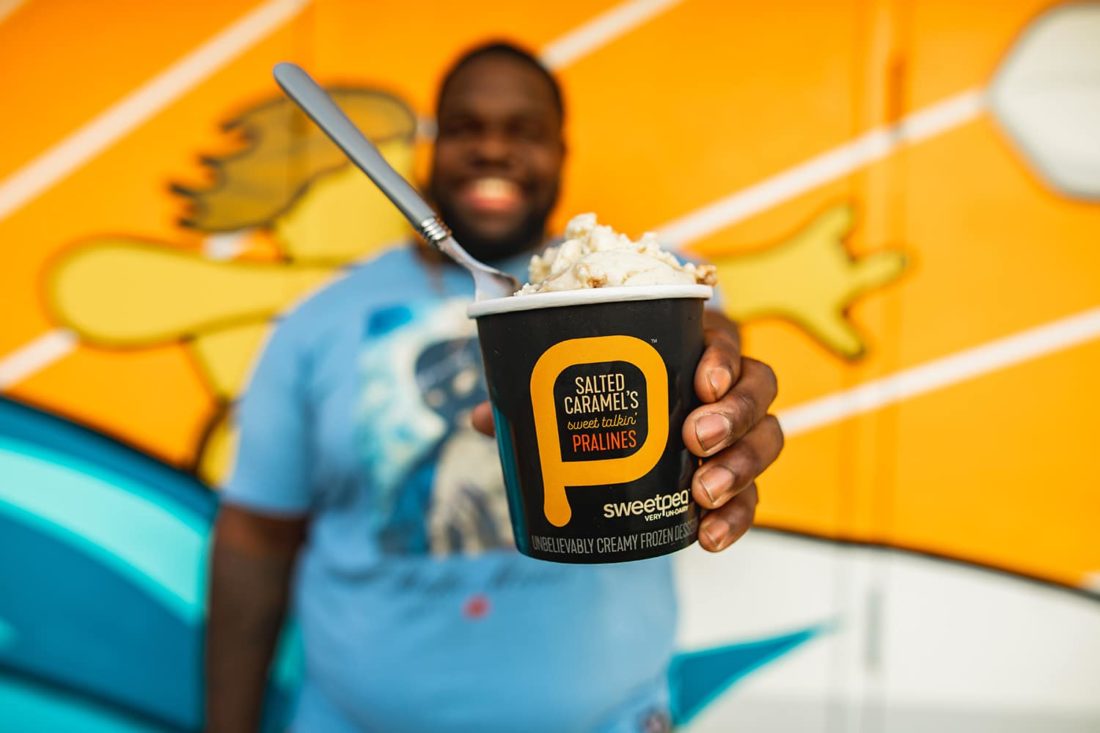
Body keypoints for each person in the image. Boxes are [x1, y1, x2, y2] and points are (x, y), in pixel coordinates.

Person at [205, 42, 783, 733]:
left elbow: (709, 327)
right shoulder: (318, 323)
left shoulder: (644, 283)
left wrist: (721, 391)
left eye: (524, 131)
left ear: (561, 154)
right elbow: (256, 538)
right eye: (467, 128)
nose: (493, 150)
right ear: (432, 145)